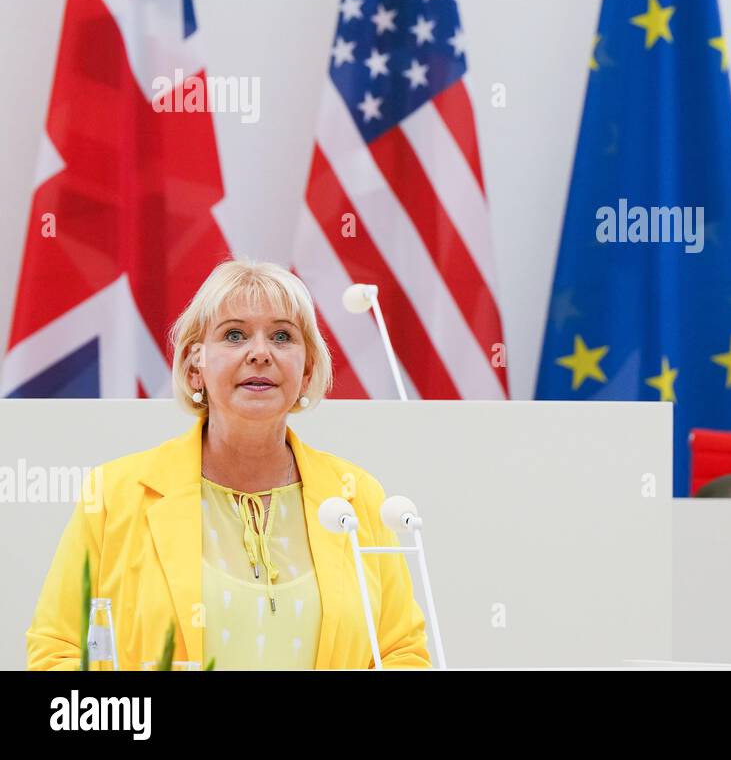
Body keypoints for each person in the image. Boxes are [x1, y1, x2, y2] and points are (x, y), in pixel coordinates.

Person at [27, 258, 430, 670]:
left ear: (307, 369)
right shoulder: (116, 494)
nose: (260, 353)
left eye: (281, 336)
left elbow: (402, 653)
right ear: (194, 365)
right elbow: (57, 651)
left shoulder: (357, 497)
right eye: (234, 335)